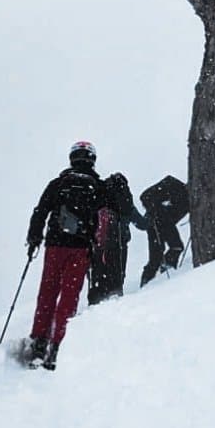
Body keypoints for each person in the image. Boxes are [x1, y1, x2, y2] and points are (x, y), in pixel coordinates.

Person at [23, 140, 104, 369]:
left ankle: (39, 341)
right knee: (69, 296)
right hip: (80, 248)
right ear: (91, 159)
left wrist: (34, 238)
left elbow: (40, 211)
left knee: (47, 292)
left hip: (55, 245)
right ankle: (57, 345)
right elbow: (112, 209)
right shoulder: (96, 186)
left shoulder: (59, 183)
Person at [88, 171, 147, 305]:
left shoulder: (101, 199)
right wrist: (152, 217)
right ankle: (115, 300)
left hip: (99, 244)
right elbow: (142, 224)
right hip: (120, 242)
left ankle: (95, 303)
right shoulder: (125, 202)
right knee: (117, 274)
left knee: (98, 275)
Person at [140, 175, 190, 284]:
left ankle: (158, 278)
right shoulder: (173, 185)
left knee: (157, 256)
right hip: (156, 223)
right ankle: (158, 277)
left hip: (161, 223)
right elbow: (145, 196)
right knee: (174, 248)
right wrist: (157, 212)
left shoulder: (191, 201)